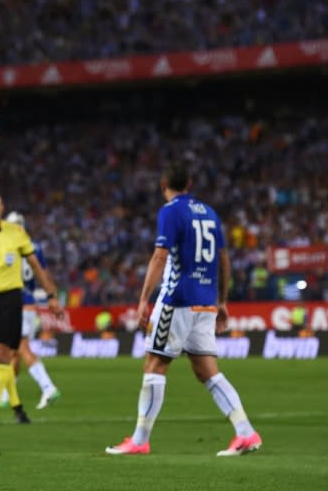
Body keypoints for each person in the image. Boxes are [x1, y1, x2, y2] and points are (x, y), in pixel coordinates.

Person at [106, 161, 262, 457]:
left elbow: (160, 256)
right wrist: (223, 301)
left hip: (177, 300)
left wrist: (143, 299)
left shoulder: (170, 211)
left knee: (154, 365)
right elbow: (224, 259)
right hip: (206, 302)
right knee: (207, 371)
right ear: (189, 184)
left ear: (163, 186)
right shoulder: (210, 213)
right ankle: (246, 433)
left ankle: (139, 440)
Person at [0, 193, 63, 426]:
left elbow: (36, 266)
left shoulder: (16, 233)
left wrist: (51, 296)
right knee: (2, 356)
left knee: (2, 353)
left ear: (2, 208)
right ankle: (18, 408)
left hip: (12, 299)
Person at [3, 210, 62, 410]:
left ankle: (47, 386)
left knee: (21, 348)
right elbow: (44, 274)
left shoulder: (8, 246)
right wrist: (51, 296)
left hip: (14, 302)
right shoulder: (34, 247)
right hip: (29, 301)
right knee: (14, 351)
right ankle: (6, 394)